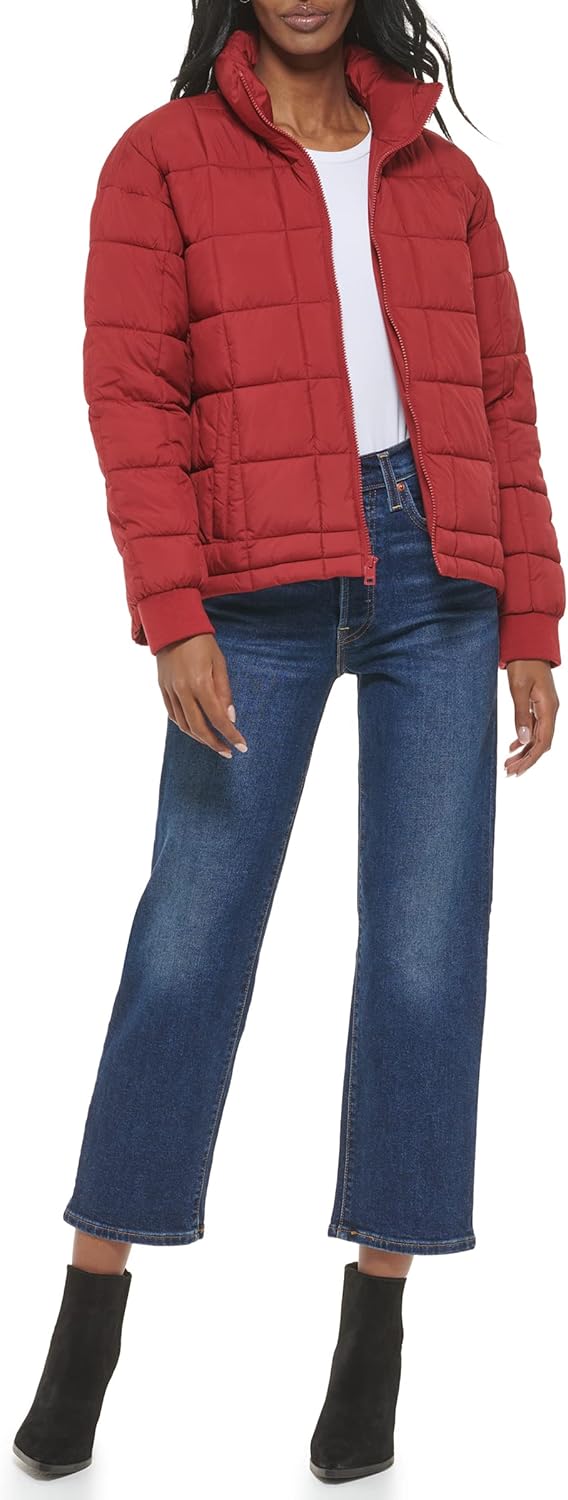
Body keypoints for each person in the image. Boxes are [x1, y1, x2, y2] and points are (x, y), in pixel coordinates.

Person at [13, 0, 564, 1484]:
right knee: (188, 943)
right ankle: (88, 1316)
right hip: (250, 593)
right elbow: (133, 397)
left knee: (427, 957)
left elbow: (505, 404)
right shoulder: (160, 159)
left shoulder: (441, 173)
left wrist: (531, 618)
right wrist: (171, 611)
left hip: (440, 579)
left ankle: (374, 1334)